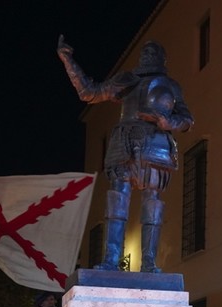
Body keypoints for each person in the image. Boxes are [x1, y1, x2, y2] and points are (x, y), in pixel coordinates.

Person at [57, 35, 194, 273]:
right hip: (125, 143)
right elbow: (89, 92)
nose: (148, 56)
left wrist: (168, 121)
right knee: (117, 199)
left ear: (162, 58)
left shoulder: (171, 85)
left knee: (153, 202)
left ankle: (149, 261)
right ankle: (111, 259)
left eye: (153, 52)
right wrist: (68, 61)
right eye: (145, 52)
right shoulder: (127, 79)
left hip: (156, 145)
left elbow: (187, 119)